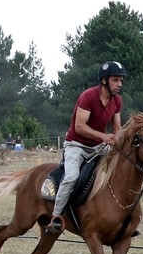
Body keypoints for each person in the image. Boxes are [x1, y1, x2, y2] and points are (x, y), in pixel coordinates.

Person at [48, 61, 126, 235]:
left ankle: (120, 220)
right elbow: (80, 127)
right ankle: (56, 217)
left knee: (119, 171)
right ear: (104, 80)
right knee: (71, 177)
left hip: (98, 146)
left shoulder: (117, 101)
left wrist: (122, 143)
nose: (119, 84)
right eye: (116, 80)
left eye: (121, 80)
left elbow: (117, 128)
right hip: (76, 145)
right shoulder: (88, 96)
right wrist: (103, 137)